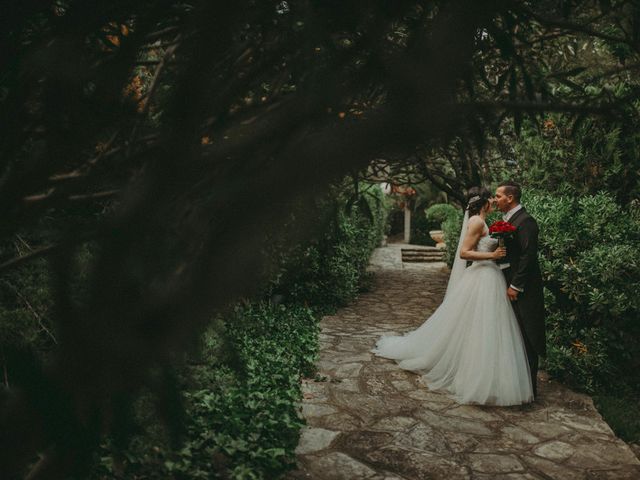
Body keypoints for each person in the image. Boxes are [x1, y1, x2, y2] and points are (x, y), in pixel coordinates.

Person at [371, 187, 533, 406]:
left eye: (497, 197)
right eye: (491, 198)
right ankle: (476, 377)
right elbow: (464, 252)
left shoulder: (484, 222)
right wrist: (492, 255)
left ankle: (487, 375)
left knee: (486, 328)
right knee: (480, 327)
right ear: (483, 202)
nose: (494, 201)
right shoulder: (476, 222)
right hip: (482, 276)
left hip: (491, 276)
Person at [494, 181, 546, 397]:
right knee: (515, 335)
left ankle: (529, 390)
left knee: (527, 336)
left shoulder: (526, 222)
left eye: (498, 196)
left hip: (524, 290)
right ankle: (516, 385)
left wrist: (516, 285)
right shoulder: (509, 220)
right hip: (508, 282)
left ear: (510, 198)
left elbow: (527, 257)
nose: (495, 200)